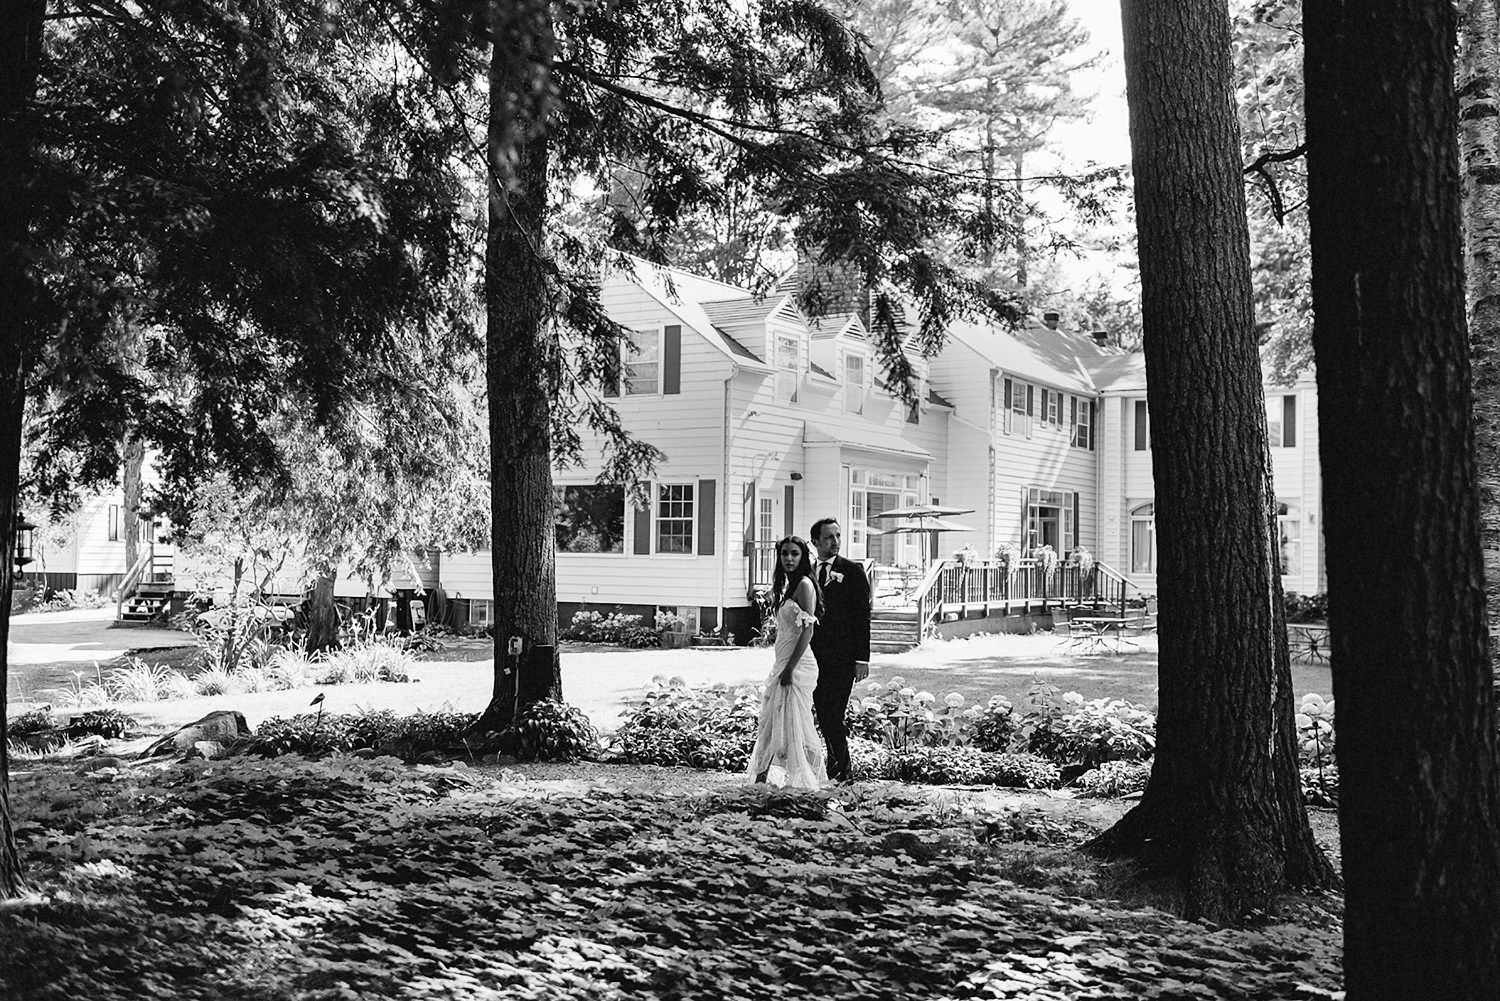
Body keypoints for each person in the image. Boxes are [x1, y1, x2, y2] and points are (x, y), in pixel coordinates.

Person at [747, 536, 828, 789]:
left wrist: (790, 669)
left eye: (794, 554)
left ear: (803, 557)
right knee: (773, 723)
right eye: (784, 554)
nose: (789, 559)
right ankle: (760, 782)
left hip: (796, 664)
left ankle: (809, 782)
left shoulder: (804, 585)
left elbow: (808, 631)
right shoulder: (787, 586)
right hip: (782, 662)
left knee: (795, 725)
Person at [807, 517, 871, 783]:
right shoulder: (808, 572)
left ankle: (842, 772)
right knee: (822, 714)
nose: (835, 542)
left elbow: (862, 616)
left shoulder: (853, 570)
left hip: (843, 658)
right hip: (813, 658)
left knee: (834, 714)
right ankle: (833, 770)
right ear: (815, 542)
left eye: (838, 536)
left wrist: (861, 658)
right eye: (829, 537)